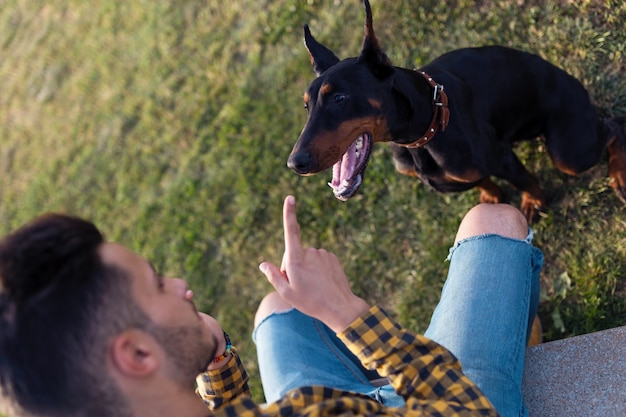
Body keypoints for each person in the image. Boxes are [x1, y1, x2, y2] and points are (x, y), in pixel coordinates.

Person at [0, 195, 542, 417]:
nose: (181, 282)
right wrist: (344, 310)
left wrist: (215, 366)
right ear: (138, 353)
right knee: (491, 224)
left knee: (275, 309)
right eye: (156, 283)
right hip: (450, 402)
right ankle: (520, 345)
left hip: (354, 401)